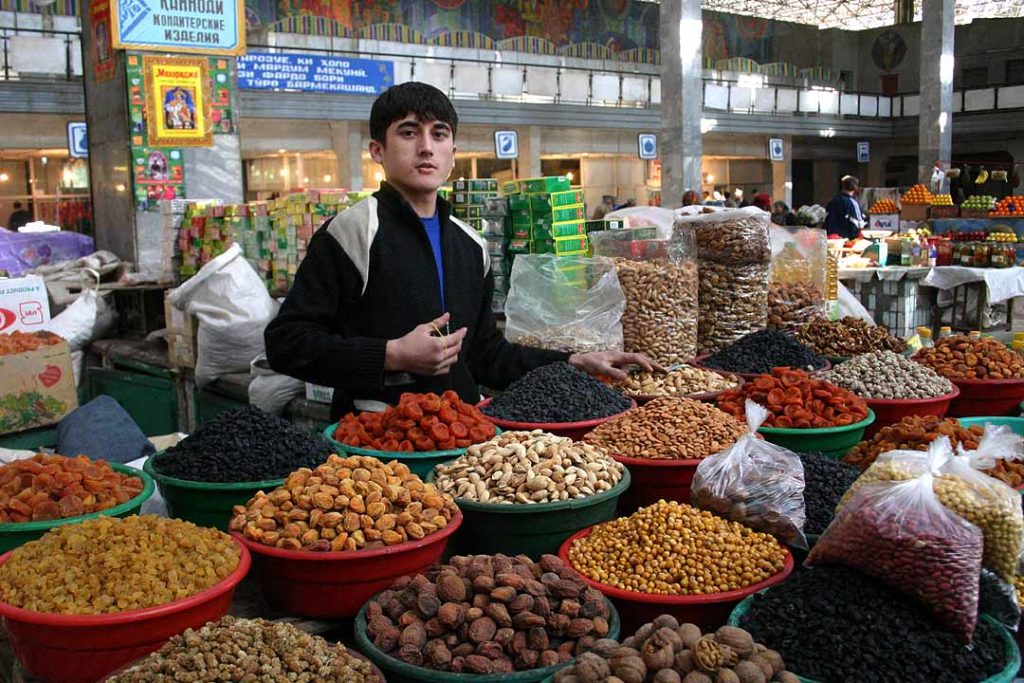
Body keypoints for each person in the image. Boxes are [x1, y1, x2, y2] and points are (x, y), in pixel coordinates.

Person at [264, 82, 657, 419]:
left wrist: (571, 361)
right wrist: (392, 354)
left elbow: (485, 353)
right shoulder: (350, 233)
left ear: (453, 150)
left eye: (439, 134)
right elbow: (287, 343)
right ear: (377, 150)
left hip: (463, 431)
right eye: (407, 132)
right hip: (378, 446)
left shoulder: (469, 245)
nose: (426, 148)